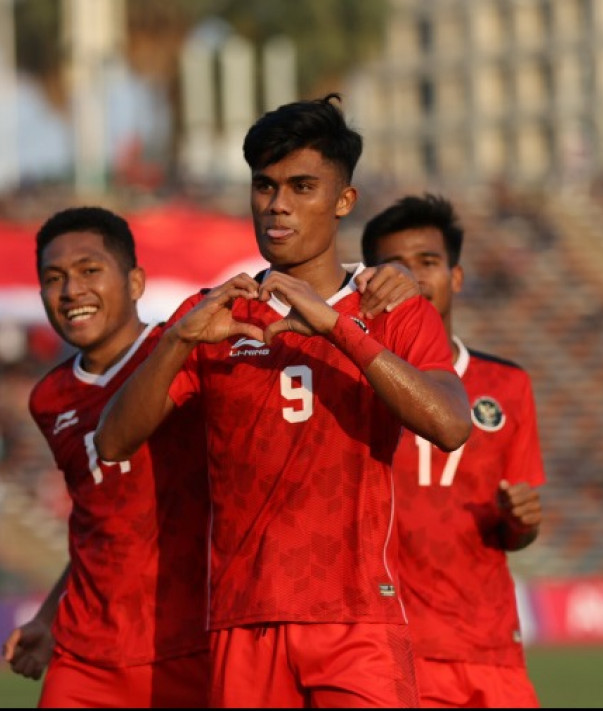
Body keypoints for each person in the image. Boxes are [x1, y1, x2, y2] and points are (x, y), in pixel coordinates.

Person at [95, 95, 472, 708]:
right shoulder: (214, 314)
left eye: (302, 187)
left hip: (358, 624)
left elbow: (452, 425)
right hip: (243, 624)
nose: (278, 205)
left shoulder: (391, 307)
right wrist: (177, 339)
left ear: (343, 201)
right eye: (264, 186)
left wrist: (335, 329)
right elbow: (113, 443)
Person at [2, 206, 211, 708]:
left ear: (136, 281)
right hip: (85, 654)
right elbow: (99, 521)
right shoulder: (50, 398)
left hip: (191, 646)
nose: (72, 290)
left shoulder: (191, 352)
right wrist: (49, 616)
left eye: (90, 270)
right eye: (55, 279)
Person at [361, 194, 546, 708]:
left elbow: (518, 530)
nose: (414, 278)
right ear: (367, 281)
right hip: (391, 649)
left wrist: (523, 521)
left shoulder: (507, 385)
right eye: (394, 267)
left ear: (456, 277)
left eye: (428, 262)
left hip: (488, 647)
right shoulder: (350, 381)